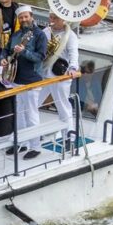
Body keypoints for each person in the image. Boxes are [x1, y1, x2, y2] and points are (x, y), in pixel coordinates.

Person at [1, 5, 48, 159]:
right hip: (15, 79)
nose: (23, 19)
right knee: (19, 114)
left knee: (31, 114)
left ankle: (36, 147)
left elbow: (40, 57)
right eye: (21, 17)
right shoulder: (15, 35)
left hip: (32, 81)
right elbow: (6, 50)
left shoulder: (40, 35)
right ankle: (21, 143)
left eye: (26, 16)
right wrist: (2, 58)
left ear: (31, 16)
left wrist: (24, 52)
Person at [43, 12, 80, 145]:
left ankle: (69, 137)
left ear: (63, 19)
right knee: (34, 102)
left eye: (55, 18)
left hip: (60, 76)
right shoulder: (46, 32)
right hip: (44, 74)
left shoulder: (70, 35)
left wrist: (73, 68)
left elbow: (73, 53)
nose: (52, 20)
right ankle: (30, 137)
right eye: (51, 17)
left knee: (63, 106)